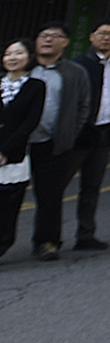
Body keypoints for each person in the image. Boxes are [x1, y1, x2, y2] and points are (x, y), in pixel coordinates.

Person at [24, 20, 95, 261]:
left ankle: (46, 241)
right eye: (43, 35)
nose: (47, 39)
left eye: (54, 36)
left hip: (53, 144)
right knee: (8, 196)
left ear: (65, 42)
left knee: (50, 197)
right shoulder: (24, 68)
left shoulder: (75, 73)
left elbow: (83, 106)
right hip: (17, 145)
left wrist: (68, 134)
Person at [68, 19, 110, 251]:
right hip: (79, 135)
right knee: (58, 186)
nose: (106, 38)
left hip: (104, 134)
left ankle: (86, 234)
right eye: (102, 33)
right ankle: (47, 238)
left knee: (92, 187)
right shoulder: (79, 65)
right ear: (91, 37)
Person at [0, 41, 44, 261]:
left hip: (15, 155)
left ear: (29, 57)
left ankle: (3, 243)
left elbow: (30, 123)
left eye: (18, 53)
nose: (12, 57)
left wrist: (4, 150)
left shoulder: (36, 86)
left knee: (8, 206)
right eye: (8, 53)